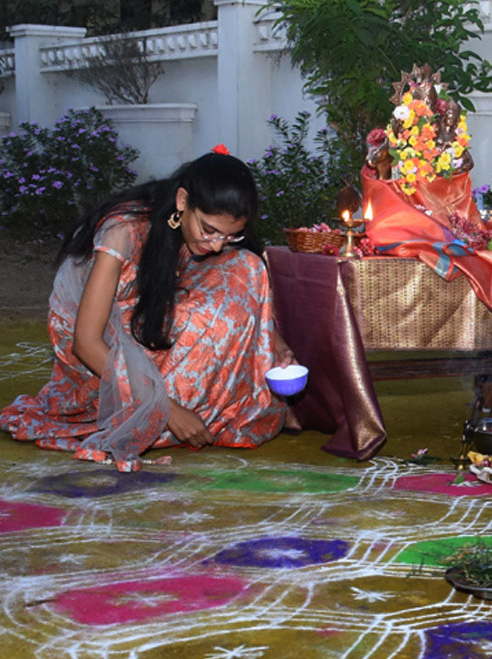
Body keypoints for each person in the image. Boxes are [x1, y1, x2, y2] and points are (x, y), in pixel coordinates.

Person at [0, 150, 292, 471]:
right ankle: (178, 405)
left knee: (247, 267)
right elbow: (84, 343)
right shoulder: (121, 232)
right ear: (183, 201)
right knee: (181, 368)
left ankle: (199, 401)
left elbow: (243, 288)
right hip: (96, 350)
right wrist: (166, 409)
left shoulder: (205, 235)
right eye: (208, 230)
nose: (217, 245)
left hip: (146, 319)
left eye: (229, 235)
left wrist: (276, 346)